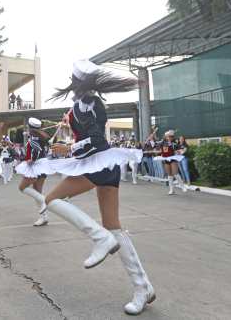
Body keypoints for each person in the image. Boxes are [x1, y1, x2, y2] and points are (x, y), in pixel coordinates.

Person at [41, 60, 155, 315]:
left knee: (51, 200)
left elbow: (96, 139)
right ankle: (142, 287)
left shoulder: (91, 103)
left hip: (98, 164)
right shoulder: (81, 104)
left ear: (76, 81)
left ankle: (99, 238)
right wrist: (72, 136)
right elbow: (86, 136)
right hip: (100, 164)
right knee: (114, 226)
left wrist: (69, 147)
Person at [15, 118, 54, 226]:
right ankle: (44, 217)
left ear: (30, 126)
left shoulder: (35, 137)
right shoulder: (40, 136)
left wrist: (31, 159)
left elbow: (36, 149)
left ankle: (47, 201)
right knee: (37, 192)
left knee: (22, 187)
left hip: (36, 165)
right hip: (42, 164)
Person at [154, 130, 187, 194]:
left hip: (173, 158)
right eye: (168, 136)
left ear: (172, 137)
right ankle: (171, 189)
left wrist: (181, 151)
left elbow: (181, 148)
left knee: (175, 173)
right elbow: (157, 146)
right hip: (166, 159)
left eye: (171, 136)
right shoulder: (162, 142)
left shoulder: (174, 143)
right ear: (166, 137)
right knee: (169, 174)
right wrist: (157, 151)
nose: (169, 138)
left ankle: (182, 186)